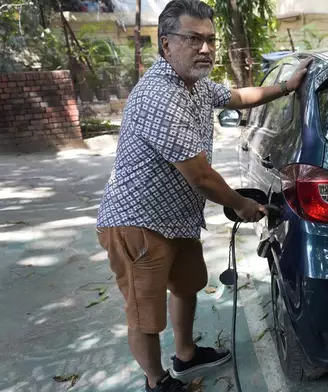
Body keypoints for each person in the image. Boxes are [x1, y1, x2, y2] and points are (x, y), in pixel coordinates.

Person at [94, 0, 312, 391]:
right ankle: (157, 381)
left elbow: (235, 97)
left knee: (187, 286)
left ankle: (186, 354)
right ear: (165, 45)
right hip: (137, 224)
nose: (206, 48)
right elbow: (201, 177)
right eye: (193, 39)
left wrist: (285, 86)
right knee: (145, 315)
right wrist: (242, 204)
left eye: (210, 39)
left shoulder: (193, 84)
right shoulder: (160, 96)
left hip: (176, 218)